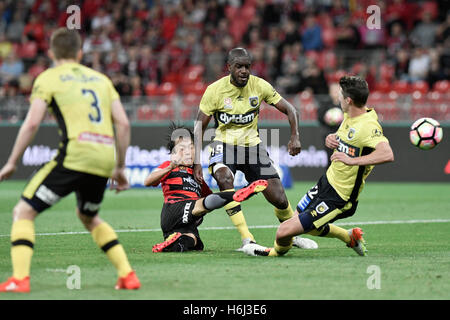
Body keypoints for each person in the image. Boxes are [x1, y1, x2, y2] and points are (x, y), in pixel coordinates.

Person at [0, 28, 140, 292]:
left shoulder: (48, 78)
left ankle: (20, 279)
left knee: (23, 211)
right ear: (79, 53)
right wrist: (119, 167)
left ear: (51, 53)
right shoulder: (101, 79)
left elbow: (31, 123)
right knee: (89, 216)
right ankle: (127, 275)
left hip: (74, 155)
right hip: (102, 158)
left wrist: (12, 162)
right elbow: (122, 123)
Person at [243, 76, 394, 257]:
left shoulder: (368, 126)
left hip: (340, 197)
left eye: (340, 94)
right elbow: (349, 141)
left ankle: (273, 252)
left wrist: (351, 160)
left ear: (349, 100)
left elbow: (387, 154)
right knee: (297, 221)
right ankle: (349, 237)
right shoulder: (349, 115)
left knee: (284, 231)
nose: (337, 97)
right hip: (326, 182)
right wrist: (333, 139)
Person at [193, 47, 318, 250]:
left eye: (247, 67)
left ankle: (292, 235)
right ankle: (247, 238)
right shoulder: (214, 90)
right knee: (225, 179)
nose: (244, 71)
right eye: (239, 66)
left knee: (278, 197)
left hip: (253, 147)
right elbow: (199, 127)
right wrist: (197, 161)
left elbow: (291, 109)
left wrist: (295, 136)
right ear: (229, 67)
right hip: (223, 145)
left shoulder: (259, 85)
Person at [145, 124, 268, 253]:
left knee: (193, 241)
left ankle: (173, 243)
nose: (188, 152)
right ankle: (237, 194)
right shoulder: (168, 167)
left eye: (191, 148)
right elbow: (148, 181)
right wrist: (170, 167)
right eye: (182, 148)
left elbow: (209, 199)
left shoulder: (196, 175)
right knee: (203, 204)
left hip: (187, 223)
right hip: (174, 209)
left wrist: (201, 213)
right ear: (174, 153)